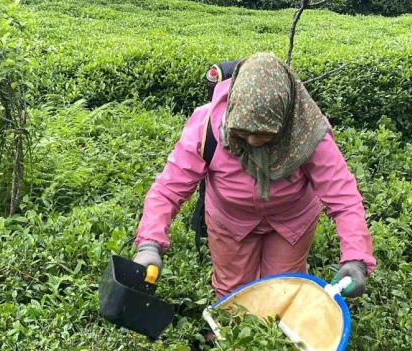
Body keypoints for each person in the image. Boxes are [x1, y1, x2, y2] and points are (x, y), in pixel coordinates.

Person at [133, 52, 376, 300]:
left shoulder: (308, 132)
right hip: (230, 219)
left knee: (283, 290)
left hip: (292, 220)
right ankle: (229, 334)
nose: (252, 141)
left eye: (264, 134)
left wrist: (356, 258)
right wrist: (150, 244)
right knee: (233, 292)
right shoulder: (206, 126)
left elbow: (344, 198)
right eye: (243, 133)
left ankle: (280, 337)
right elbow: (168, 189)